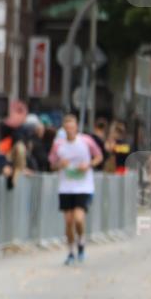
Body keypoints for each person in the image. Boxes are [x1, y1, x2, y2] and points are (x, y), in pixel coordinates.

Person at [48, 114, 104, 266]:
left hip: (84, 186)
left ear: (76, 127)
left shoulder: (86, 141)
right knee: (68, 221)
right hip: (66, 187)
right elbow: (51, 164)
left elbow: (99, 156)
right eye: (67, 128)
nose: (70, 130)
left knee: (78, 219)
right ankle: (71, 252)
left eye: (72, 127)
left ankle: (81, 242)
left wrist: (89, 164)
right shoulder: (58, 144)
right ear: (64, 129)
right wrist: (60, 164)